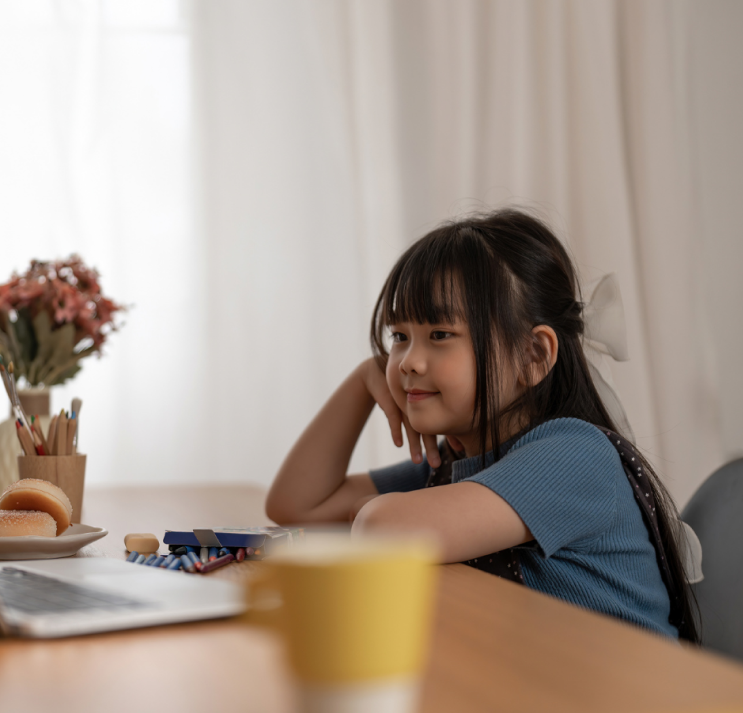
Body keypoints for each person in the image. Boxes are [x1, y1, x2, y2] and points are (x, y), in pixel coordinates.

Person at [265, 208, 698, 641]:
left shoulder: (574, 456)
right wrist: (363, 380)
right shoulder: (463, 461)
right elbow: (297, 505)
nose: (408, 362)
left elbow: (382, 531)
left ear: (532, 356)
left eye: (439, 335)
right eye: (398, 336)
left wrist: (375, 513)